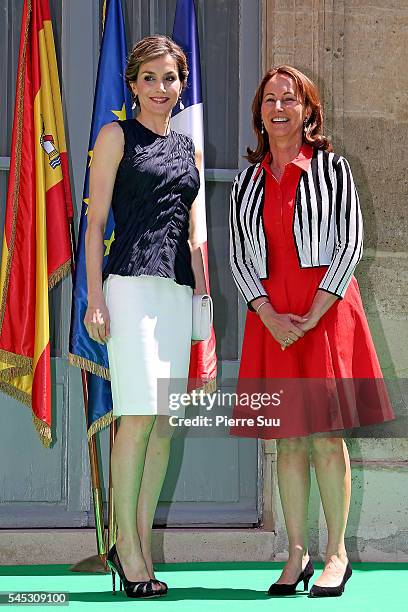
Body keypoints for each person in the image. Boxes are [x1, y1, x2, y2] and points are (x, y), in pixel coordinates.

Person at [229, 65, 394, 598]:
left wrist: (315, 313)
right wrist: (270, 315)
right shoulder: (245, 180)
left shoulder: (333, 168)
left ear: (308, 111)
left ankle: (337, 554)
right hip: (272, 318)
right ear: (259, 112)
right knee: (286, 439)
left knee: (326, 435)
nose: (279, 108)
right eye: (270, 99)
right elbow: (238, 253)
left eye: (290, 99)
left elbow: (350, 242)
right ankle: (296, 552)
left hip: (325, 312)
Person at [84, 35, 206, 599]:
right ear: (132, 85)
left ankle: (138, 539)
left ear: (182, 86)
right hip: (129, 289)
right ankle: (126, 548)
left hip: (177, 295)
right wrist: (95, 297)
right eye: (150, 78)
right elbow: (94, 223)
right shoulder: (115, 137)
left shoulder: (188, 150)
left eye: (171, 78)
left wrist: (203, 301)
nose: (162, 88)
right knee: (136, 416)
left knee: (165, 423)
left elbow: (193, 231)